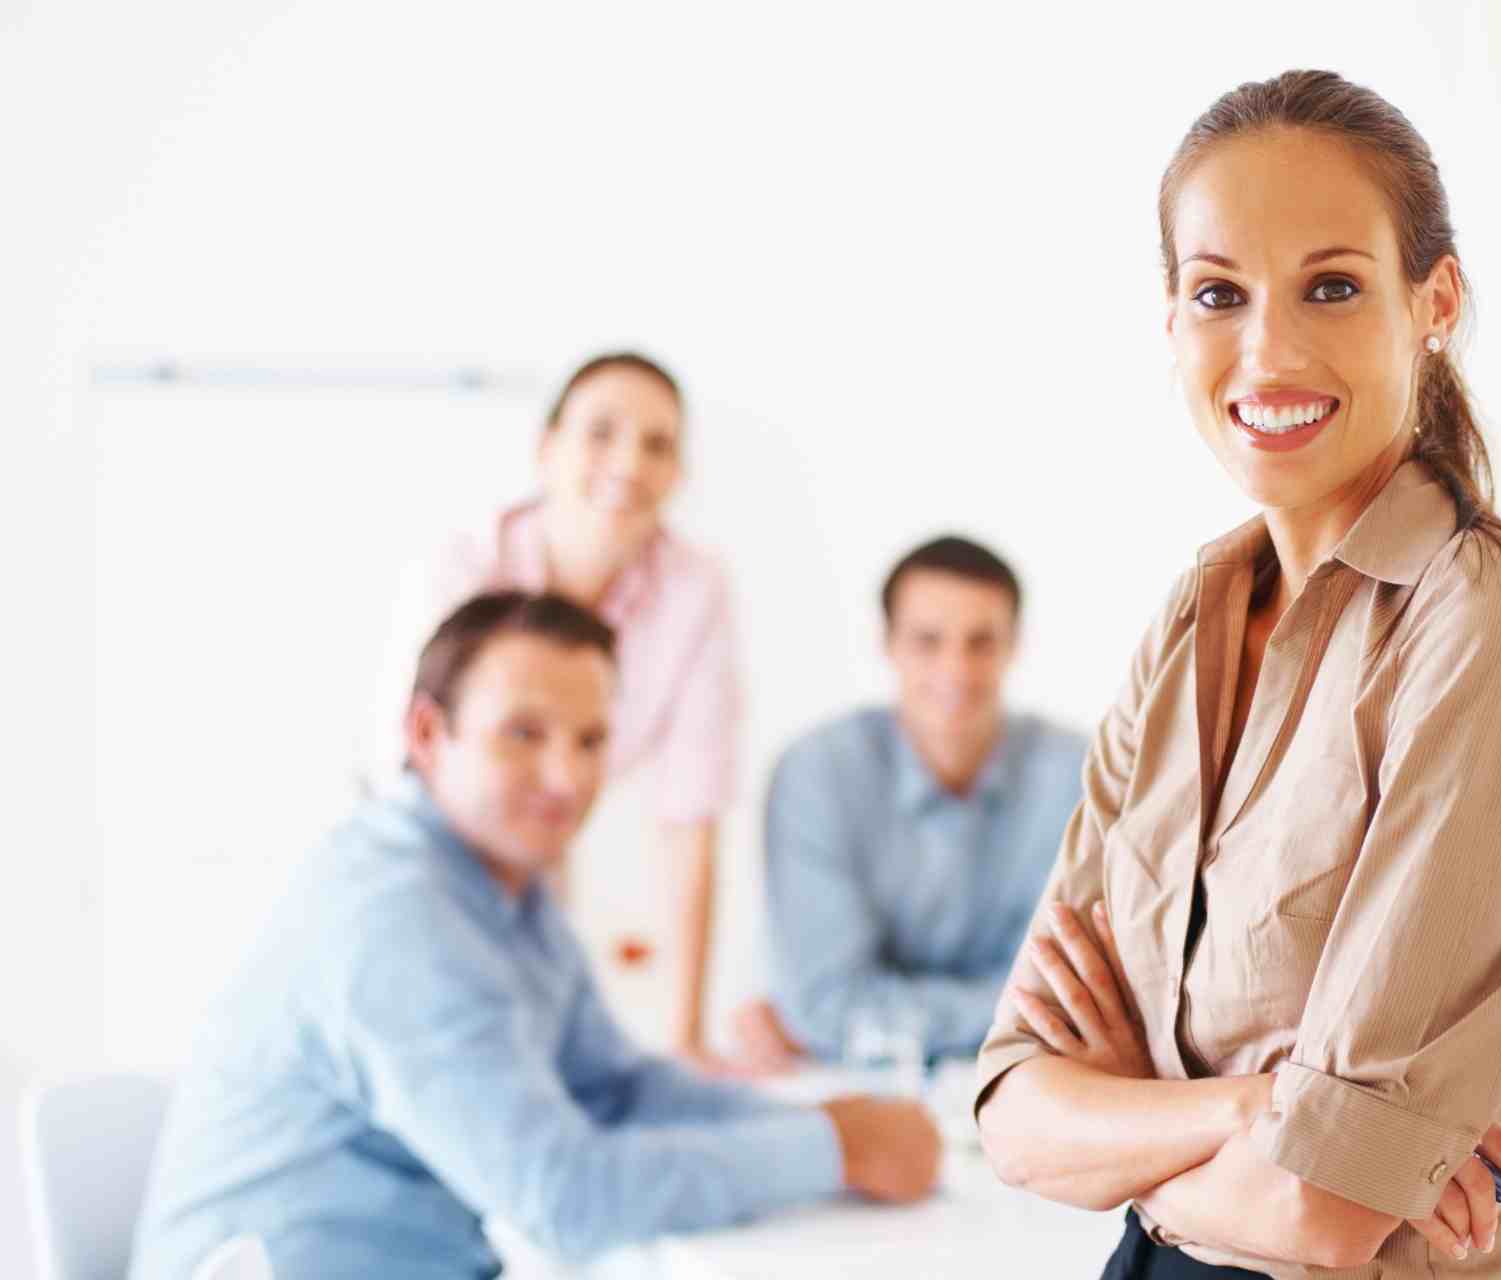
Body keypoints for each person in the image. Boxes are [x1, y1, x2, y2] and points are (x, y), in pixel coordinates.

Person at [971, 70, 1501, 1279]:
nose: (1266, 348)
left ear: (1435, 300)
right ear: (1171, 323)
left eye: (1330, 286)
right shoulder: (1188, 619)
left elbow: (1321, 1210)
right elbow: (1011, 1108)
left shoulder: (1494, 624)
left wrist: (1135, 1124)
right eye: (1219, 294)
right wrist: (1252, 1106)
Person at [135, 592, 939, 1280]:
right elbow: (566, 1197)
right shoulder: (394, 917)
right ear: (426, 733)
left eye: (590, 740)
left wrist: (815, 1122)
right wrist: (832, 1148)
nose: (568, 779)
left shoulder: (503, 884)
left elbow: (617, 1090)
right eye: (524, 733)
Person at [373, 351, 742, 1060]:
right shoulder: (461, 569)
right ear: (547, 450)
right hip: (437, 846)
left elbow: (691, 819)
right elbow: (414, 780)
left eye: (658, 444)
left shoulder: (695, 593)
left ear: (679, 476)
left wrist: (689, 1036)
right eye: (602, 432)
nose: (630, 461)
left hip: (546, 844)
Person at [725, 536, 1086, 1072]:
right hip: (840, 1083)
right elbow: (828, 1005)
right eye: (927, 641)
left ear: (1015, 646)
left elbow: (1083, 994)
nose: (956, 670)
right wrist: (1027, 1013)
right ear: (888, 644)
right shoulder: (818, 773)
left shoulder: (1080, 775)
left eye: (981, 642)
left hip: (1039, 1083)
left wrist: (859, 1022)